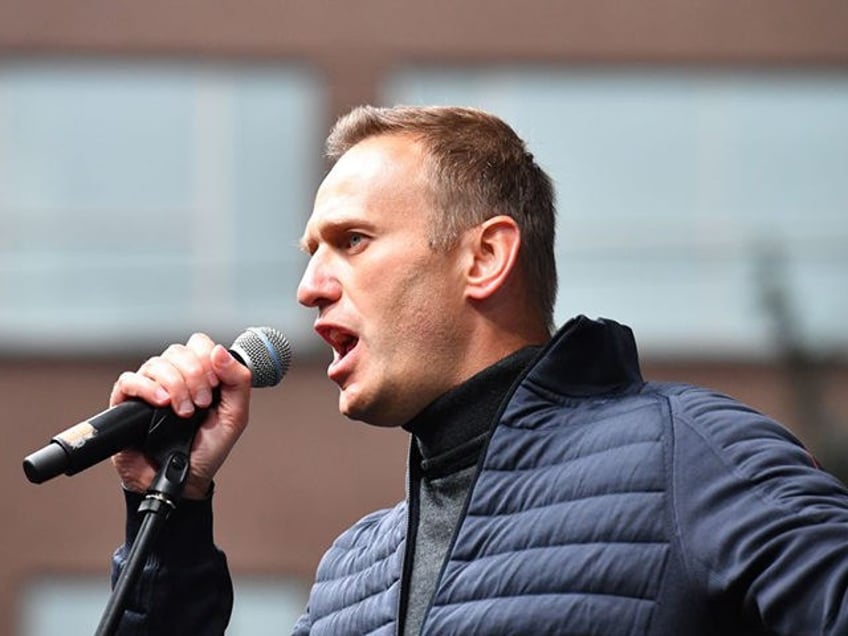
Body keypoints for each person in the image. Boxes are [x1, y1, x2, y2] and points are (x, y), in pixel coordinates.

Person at [109, 105, 848, 635]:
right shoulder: (351, 576)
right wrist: (166, 505)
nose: (310, 287)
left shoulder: (691, 456)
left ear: (485, 257)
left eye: (353, 240)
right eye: (312, 254)